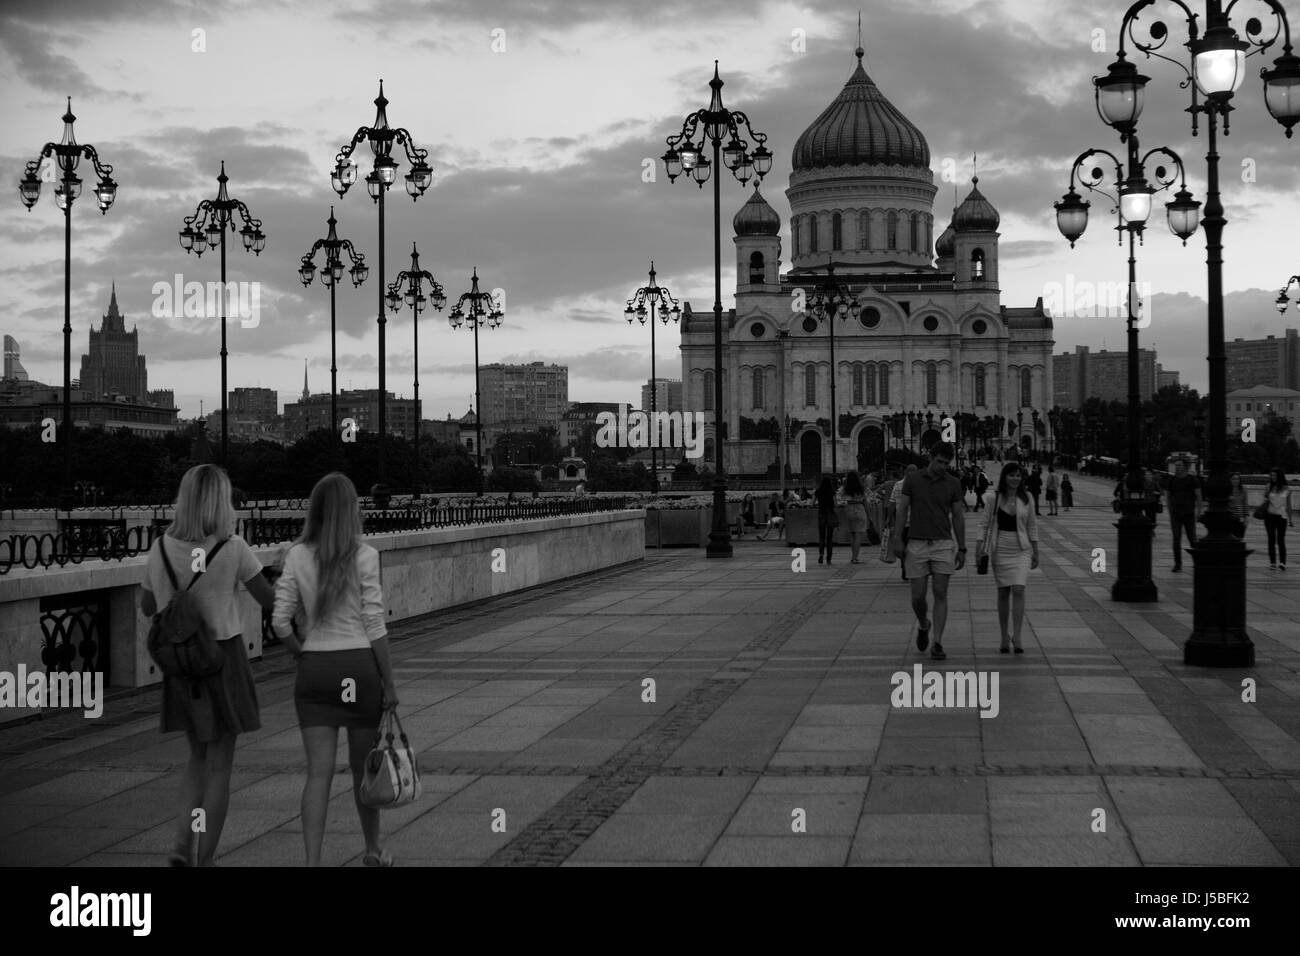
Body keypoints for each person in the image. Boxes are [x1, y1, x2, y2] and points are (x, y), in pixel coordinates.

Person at [141, 464, 276, 867]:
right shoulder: (232, 547)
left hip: (180, 668)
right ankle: (205, 859)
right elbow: (268, 599)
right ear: (222, 500)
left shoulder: (161, 546)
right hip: (223, 661)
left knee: (196, 759)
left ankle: (181, 843)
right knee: (220, 767)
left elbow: (148, 606)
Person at [272, 472, 400, 867]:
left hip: (316, 670)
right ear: (352, 510)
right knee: (365, 769)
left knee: (318, 774)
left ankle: (312, 861)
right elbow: (375, 625)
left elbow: (279, 622)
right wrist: (389, 684)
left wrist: (302, 653)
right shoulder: (365, 556)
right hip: (357, 669)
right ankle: (373, 851)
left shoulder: (296, 555)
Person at [893, 443, 966, 661]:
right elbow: (902, 509)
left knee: (940, 592)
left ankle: (938, 642)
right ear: (930, 457)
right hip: (917, 543)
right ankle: (924, 624)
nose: (943, 467)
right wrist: (897, 538)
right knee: (917, 596)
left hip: (943, 543)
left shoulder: (953, 483)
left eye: (946, 463)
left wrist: (962, 547)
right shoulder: (913, 480)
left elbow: (958, 516)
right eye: (939, 462)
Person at [976, 463, 1039, 653]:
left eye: (1018, 475)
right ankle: (1004, 635)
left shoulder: (1027, 498)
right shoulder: (993, 498)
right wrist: (978, 548)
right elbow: (984, 524)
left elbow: (1032, 527)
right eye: (1011, 475)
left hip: (1021, 549)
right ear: (1005, 477)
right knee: (1003, 592)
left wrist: (1036, 551)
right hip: (1000, 548)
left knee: (1019, 588)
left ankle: (1018, 635)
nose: (1015, 479)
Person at [1165, 459, 1201, 572]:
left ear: (1185, 467)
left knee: (1192, 539)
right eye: (1176, 465)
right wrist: (1170, 510)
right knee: (1176, 539)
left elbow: (1199, 496)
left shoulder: (1192, 479)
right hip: (1175, 514)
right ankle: (1178, 564)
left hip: (1189, 513)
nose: (1176, 467)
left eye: (1179, 465)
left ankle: (1198, 562)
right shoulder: (1172, 480)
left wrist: (1199, 512)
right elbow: (1167, 496)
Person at [890, 464, 918, 581]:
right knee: (913, 547)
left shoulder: (898, 485)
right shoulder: (918, 485)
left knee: (903, 544)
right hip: (914, 521)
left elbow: (891, 503)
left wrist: (888, 518)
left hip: (901, 521)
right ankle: (910, 568)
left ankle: (904, 567)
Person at [1263, 468, 1293, 570]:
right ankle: (1272, 562)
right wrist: (1267, 493)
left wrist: (1291, 519)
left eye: (1275, 475)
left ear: (1280, 476)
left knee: (1281, 540)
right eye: (1271, 475)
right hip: (1270, 516)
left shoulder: (1287, 489)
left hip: (1282, 517)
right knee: (1271, 539)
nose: (1273, 477)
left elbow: (1289, 505)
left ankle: (1282, 562)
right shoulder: (1268, 486)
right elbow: (1265, 500)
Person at [843, 470, 869, 563]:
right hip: (860, 509)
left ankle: (853, 556)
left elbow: (843, 498)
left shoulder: (846, 488)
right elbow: (865, 502)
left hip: (850, 510)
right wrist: (868, 515)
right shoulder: (861, 488)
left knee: (853, 534)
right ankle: (855, 557)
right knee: (858, 535)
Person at [815, 474, 838, 564]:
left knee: (821, 537)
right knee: (829, 538)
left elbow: (812, 503)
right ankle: (829, 559)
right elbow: (836, 504)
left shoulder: (818, 491)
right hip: (830, 515)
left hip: (821, 514)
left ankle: (821, 555)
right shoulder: (832, 492)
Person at [1228, 472, 1249, 540]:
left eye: (1237, 479)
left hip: (1240, 517)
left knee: (1240, 538)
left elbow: (1245, 504)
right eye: (1233, 479)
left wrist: (1246, 518)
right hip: (1230, 517)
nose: (1236, 481)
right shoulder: (1227, 490)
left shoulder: (1243, 489)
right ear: (1230, 480)